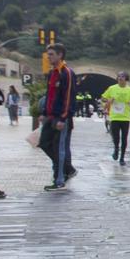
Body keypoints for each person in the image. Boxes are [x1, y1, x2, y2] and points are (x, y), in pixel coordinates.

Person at [39, 43, 76, 191]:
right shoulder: (52, 73)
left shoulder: (66, 72)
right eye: (48, 54)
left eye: (51, 54)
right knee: (44, 143)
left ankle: (59, 179)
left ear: (60, 55)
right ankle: (68, 168)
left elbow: (68, 97)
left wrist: (63, 118)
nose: (48, 57)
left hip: (61, 118)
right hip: (50, 116)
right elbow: (49, 95)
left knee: (59, 147)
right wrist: (44, 113)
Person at [102, 72, 130, 165]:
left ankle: (122, 158)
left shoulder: (129, 90)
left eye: (122, 76)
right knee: (115, 137)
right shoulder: (112, 88)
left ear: (126, 79)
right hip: (114, 117)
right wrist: (109, 100)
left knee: (124, 138)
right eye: (119, 76)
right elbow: (103, 98)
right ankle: (116, 149)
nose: (120, 78)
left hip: (125, 118)